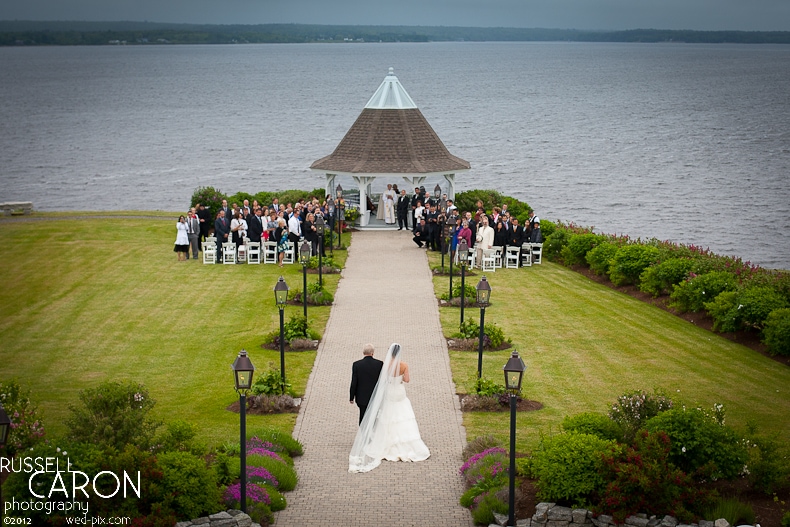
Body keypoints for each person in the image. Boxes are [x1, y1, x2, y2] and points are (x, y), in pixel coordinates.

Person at [349, 343, 430, 473]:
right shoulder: (404, 365)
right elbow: (407, 380)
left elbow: (382, 380)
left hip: (389, 393)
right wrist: (401, 378)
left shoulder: (385, 365)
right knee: (402, 414)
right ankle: (404, 441)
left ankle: (384, 440)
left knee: (388, 414)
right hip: (399, 392)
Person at [349, 343, 384, 425]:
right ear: (372, 353)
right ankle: (372, 432)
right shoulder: (379, 364)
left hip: (361, 397)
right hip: (375, 396)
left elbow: (354, 382)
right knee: (374, 415)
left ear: (363, 352)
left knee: (363, 415)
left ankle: (363, 433)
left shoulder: (356, 365)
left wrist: (351, 396)